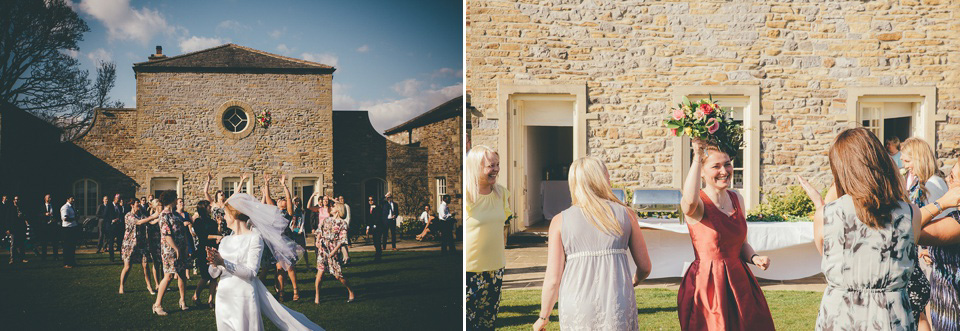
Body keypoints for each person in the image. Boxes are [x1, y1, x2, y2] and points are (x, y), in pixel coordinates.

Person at [798, 128, 919, 330]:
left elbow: (826, 254)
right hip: (891, 316)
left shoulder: (826, 215)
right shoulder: (911, 213)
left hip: (841, 316)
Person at [533, 156, 652, 331]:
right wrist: (635, 280)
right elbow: (645, 266)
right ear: (603, 179)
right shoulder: (626, 215)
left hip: (576, 301)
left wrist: (543, 316)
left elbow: (553, 279)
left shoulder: (559, 221)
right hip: (616, 299)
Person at [677, 139, 775, 330]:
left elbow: (742, 244)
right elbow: (688, 202)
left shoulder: (737, 198)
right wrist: (697, 156)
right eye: (716, 166)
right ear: (702, 172)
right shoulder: (699, 204)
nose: (724, 171)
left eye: (727, 164)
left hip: (740, 281)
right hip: (708, 284)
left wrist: (755, 258)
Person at [205, 193, 322, 330]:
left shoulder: (254, 238)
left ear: (233, 215)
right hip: (224, 296)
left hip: (243, 296)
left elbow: (251, 273)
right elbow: (214, 274)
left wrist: (223, 262)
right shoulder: (225, 240)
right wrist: (214, 263)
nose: (223, 217)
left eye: (225, 214)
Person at [902, 137, 950, 329]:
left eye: (907, 161)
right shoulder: (920, 183)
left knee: (930, 308)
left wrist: (927, 248)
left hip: (931, 254)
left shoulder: (933, 185)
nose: (905, 166)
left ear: (919, 158)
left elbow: (943, 219)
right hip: (922, 251)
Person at [465, 146, 512, 330]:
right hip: (469, 272)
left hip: (495, 271)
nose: (496, 169)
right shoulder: (468, 196)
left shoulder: (501, 194)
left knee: (487, 325)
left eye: (497, 165)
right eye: (491, 165)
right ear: (476, 167)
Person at [261, 173, 301, 302]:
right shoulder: (273, 211)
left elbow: (289, 199)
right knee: (279, 268)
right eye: (279, 199)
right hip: (276, 243)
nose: (281, 199)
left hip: (287, 242)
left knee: (289, 267)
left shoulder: (288, 213)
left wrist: (284, 185)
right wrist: (266, 183)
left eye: (282, 199)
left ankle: (295, 290)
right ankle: (281, 292)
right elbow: (267, 197)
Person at [152, 191, 191, 316]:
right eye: (175, 198)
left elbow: (183, 232)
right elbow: (167, 235)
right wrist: (176, 249)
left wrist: (185, 247)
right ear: (171, 200)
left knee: (182, 275)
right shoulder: (164, 216)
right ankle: (157, 305)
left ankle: (183, 301)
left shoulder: (176, 215)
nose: (177, 200)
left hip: (180, 249)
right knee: (168, 276)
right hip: (170, 251)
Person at [315, 201, 356, 304]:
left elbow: (342, 240)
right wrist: (317, 241)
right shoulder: (326, 220)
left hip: (333, 250)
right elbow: (319, 231)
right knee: (320, 274)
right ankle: (317, 296)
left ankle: (350, 291)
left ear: (338, 210)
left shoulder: (343, 223)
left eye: (334, 206)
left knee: (338, 275)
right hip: (322, 250)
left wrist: (333, 251)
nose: (331, 207)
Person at [118, 200, 160, 294]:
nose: (139, 206)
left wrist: (158, 217)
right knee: (127, 266)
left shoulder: (141, 214)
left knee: (145, 265)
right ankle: (121, 286)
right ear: (132, 205)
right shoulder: (128, 216)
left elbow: (151, 222)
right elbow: (139, 222)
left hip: (142, 243)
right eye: (137, 204)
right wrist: (154, 215)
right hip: (129, 244)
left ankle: (149, 286)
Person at [192, 200, 220, 308]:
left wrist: (218, 225)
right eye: (208, 206)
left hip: (213, 249)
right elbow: (203, 236)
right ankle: (196, 295)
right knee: (205, 276)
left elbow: (217, 233)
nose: (210, 208)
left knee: (214, 276)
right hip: (203, 251)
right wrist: (215, 237)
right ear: (204, 208)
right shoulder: (198, 221)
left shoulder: (212, 221)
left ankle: (210, 301)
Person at [175, 198, 194, 280]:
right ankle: (176, 273)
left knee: (188, 254)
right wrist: (183, 224)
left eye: (182, 201)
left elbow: (193, 221)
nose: (182, 203)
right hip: (178, 236)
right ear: (176, 204)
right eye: (180, 202)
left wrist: (190, 224)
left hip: (187, 235)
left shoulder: (186, 214)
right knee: (178, 254)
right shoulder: (175, 214)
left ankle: (187, 274)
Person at [39, 194, 60, 260]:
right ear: (45, 199)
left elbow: (57, 214)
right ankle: (44, 257)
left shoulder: (54, 206)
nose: (50, 199)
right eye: (48, 197)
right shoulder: (42, 206)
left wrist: (55, 219)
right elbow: (38, 215)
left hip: (53, 225)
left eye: (50, 197)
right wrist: (45, 214)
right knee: (44, 242)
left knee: (54, 241)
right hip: (44, 226)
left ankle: (55, 256)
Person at [60, 196, 79, 268]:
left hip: (73, 227)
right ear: (67, 199)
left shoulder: (71, 207)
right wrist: (74, 218)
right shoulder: (65, 207)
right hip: (67, 229)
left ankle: (72, 261)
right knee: (67, 246)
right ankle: (66, 263)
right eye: (72, 198)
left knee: (72, 246)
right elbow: (65, 218)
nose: (73, 200)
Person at [110, 194, 126, 261]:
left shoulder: (119, 207)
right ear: (114, 198)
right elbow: (105, 215)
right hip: (112, 226)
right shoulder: (109, 206)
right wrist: (112, 220)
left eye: (119, 198)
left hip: (119, 226)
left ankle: (121, 256)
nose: (118, 200)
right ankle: (112, 257)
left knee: (120, 242)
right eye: (117, 198)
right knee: (111, 242)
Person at [338, 196, 351, 263]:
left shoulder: (346, 206)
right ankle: (343, 257)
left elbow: (348, 217)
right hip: (340, 225)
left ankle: (346, 257)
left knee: (344, 242)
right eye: (339, 199)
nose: (341, 200)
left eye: (342, 198)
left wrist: (347, 225)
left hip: (344, 225)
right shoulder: (338, 206)